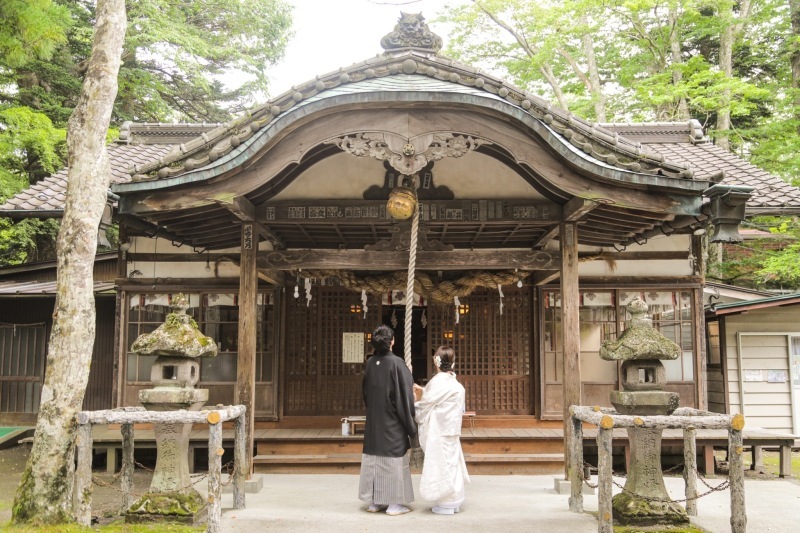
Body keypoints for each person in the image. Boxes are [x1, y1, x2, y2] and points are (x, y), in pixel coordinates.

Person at [358, 325, 418, 516]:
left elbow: (366, 393)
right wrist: (411, 425)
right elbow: (404, 396)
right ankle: (393, 504)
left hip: (375, 419)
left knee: (374, 459)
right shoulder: (397, 363)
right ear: (392, 341)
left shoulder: (370, 363)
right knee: (392, 460)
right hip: (392, 422)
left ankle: (375, 502)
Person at [413, 345, 470, 515]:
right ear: (452, 363)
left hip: (439, 431)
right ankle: (455, 500)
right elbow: (441, 399)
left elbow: (425, 405)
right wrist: (425, 392)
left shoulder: (437, 382)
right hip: (452, 430)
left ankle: (446, 503)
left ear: (436, 361)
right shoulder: (455, 382)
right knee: (452, 464)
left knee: (440, 465)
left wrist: (415, 402)